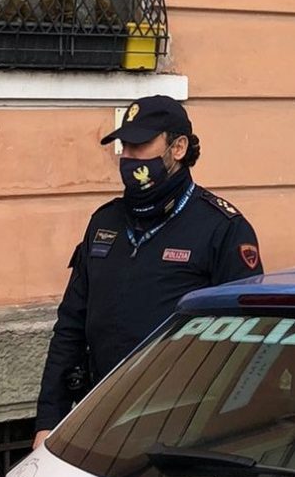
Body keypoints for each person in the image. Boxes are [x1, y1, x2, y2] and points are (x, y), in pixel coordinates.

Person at [32, 95, 263, 449]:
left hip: (180, 431)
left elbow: (246, 346)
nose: (128, 157)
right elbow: (70, 328)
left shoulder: (222, 229)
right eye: (125, 147)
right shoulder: (104, 222)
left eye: (140, 146)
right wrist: (48, 422)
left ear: (178, 147)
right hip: (99, 420)